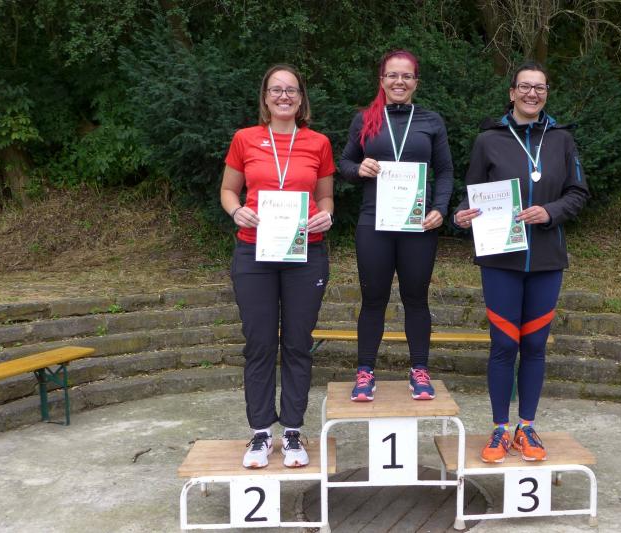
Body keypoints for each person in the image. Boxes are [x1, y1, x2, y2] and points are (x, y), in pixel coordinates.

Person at [453, 61, 589, 463]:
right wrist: (462, 214)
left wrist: (550, 212)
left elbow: (578, 193)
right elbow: (472, 193)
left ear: (546, 93)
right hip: (500, 260)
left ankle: (526, 426)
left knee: (534, 345)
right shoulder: (488, 140)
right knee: (503, 344)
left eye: (540, 87)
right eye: (525, 87)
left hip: (546, 260)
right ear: (512, 92)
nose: (532, 93)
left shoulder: (562, 139)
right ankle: (499, 428)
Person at [220, 64, 335, 469]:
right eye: (276, 90)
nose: (284, 96)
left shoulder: (318, 142)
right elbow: (229, 190)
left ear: (301, 99)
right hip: (255, 253)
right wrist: (236, 211)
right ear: (265, 97)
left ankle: (292, 430)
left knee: (298, 343)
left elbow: (325, 197)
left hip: (306, 254)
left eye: (291, 90)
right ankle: (259, 433)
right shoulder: (245, 139)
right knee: (260, 343)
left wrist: (326, 215)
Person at [340, 49, 454, 402]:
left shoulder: (431, 121)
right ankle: (365, 372)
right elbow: (344, 162)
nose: (399, 81)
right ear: (382, 80)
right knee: (373, 298)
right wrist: (358, 169)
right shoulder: (365, 119)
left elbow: (445, 171)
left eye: (406, 76)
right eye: (392, 75)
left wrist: (440, 209)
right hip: (374, 222)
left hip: (418, 225)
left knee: (416, 298)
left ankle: (419, 370)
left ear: (416, 82)